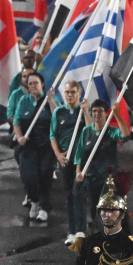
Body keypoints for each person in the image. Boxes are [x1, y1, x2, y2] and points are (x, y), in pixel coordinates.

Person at [73, 98, 130, 235]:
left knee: (105, 209)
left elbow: (125, 136)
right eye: (94, 111)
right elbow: (79, 153)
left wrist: (117, 114)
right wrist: (78, 171)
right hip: (92, 177)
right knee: (93, 210)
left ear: (106, 113)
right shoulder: (86, 131)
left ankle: (107, 239)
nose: (96, 114)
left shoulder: (111, 131)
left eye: (100, 111)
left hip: (108, 178)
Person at [12, 72, 54, 221]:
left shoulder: (49, 100)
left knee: (44, 174)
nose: (33, 86)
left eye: (35, 83)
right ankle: (34, 201)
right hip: (29, 146)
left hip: (47, 146)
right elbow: (16, 121)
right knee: (29, 177)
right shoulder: (24, 100)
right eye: (30, 84)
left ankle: (44, 207)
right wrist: (19, 137)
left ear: (42, 84)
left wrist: (51, 100)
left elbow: (57, 117)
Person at [50, 81, 84, 244]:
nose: (69, 95)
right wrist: (58, 155)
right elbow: (52, 136)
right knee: (70, 195)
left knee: (79, 194)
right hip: (66, 160)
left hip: (82, 160)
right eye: (67, 92)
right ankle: (72, 231)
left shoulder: (84, 111)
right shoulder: (58, 112)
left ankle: (81, 231)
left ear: (79, 93)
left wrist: (86, 112)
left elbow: (93, 130)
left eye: (72, 92)